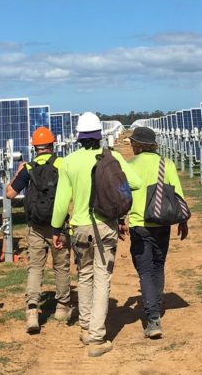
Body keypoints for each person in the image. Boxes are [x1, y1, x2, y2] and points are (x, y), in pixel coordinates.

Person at [50, 112, 141, 357]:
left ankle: (85, 328)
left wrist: (56, 229)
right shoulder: (112, 158)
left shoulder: (69, 162)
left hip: (79, 228)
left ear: (79, 136)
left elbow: (61, 201)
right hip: (105, 227)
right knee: (103, 278)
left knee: (85, 277)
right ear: (99, 135)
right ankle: (97, 338)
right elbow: (136, 182)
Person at [7, 126, 70, 335]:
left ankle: (33, 310)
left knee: (35, 268)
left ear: (34, 148)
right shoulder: (62, 164)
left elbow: (9, 193)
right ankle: (62, 308)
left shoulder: (28, 168)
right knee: (61, 266)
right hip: (58, 225)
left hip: (35, 226)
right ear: (52, 146)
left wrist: (18, 173)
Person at [126, 126, 188, 339]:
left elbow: (123, 195)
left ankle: (153, 318)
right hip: (162, 223)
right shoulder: (166, 163)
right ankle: (156, 303)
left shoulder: (129, 165)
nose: (131, 145)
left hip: (139, 223)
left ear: (138, 144)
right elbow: (177, 193)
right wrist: (183, 221)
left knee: (144, 270)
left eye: (133, 142)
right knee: (158, 265)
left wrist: (118, 220)